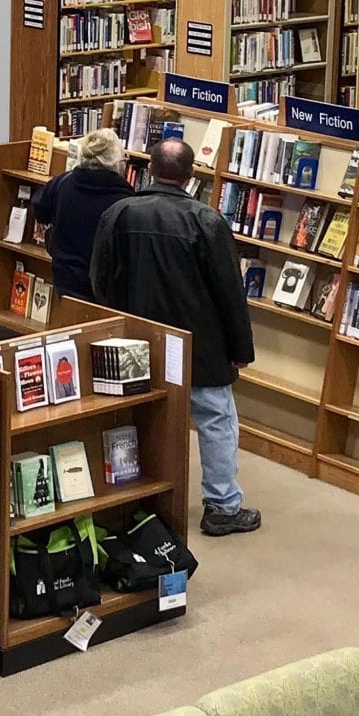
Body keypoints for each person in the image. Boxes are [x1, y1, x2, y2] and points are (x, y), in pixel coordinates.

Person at [90, 137, 262, 535]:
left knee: (140, 420)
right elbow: (229, 293)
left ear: (148, 169)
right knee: (217, 421)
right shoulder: (207, 221)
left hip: (132, 344)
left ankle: (139, 499)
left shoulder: (118, 213)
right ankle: (222, 506)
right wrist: (241, 350)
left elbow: (99, 278)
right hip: (200, 347)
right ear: (191, 176)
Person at [34, 128, 134, 301]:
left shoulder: (62, 182)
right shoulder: (127, 202)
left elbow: (40, 209)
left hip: (65, 277)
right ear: (117, 162)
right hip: (105, 286)